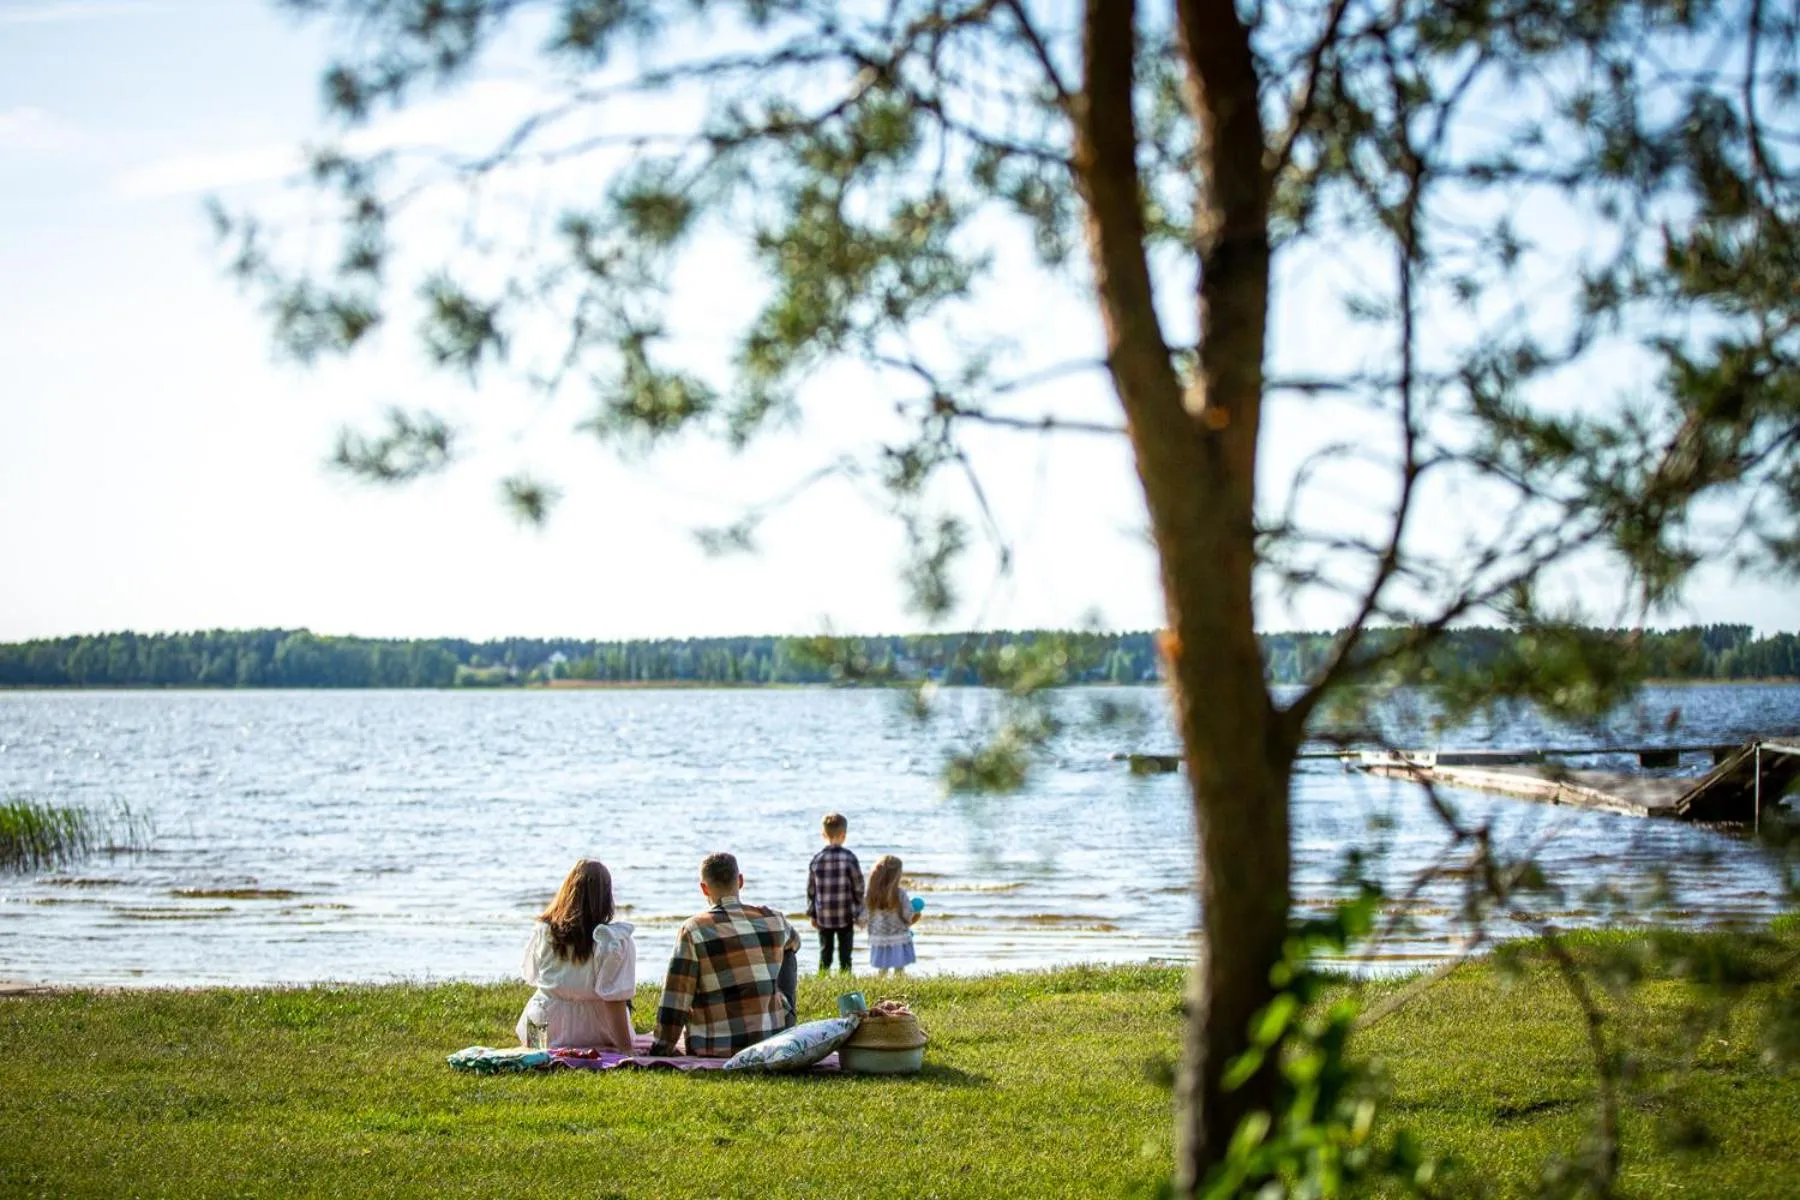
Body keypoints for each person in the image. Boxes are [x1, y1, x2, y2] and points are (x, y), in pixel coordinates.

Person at [648, 852, 801, 1057]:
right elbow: (795, 943)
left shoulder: (693, 929)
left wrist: (661, 1047)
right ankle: (784, 1023)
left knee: (690, 976)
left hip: (715, 1047)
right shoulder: (774, 918)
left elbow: (676, 998)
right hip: (771, 1040)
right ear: (740, 881)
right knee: (788, 950)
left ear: (704, 888)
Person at [516, 858, 637, 1051]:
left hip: (544, 1025)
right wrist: (626, 1049)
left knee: (539, 1007)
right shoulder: (613, 941)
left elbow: (532, 976)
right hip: (595, 1030)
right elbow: (614, 998)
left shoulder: (544, 931)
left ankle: (535, 1046)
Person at [806, 811, 864, 974]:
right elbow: (858, 886)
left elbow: (811, 890)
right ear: (844, 835)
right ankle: (846, 980)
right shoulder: (849, 857)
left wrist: (812, 913)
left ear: (823, 834)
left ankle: (822, 977)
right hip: (845, 914)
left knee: (825, 952)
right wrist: (859, 907)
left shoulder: (818, 858)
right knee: (845, 955)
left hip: (824, 916)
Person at [864, 854, 921, 977]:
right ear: (896, 875)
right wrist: (916, 914)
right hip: (898, 937)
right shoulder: (900, 894)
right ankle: (899, 982)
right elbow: (908, 915)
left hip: (878, 938)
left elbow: (863, 916)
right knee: (899, 967)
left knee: (883, 968)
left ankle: (881, 981)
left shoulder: (870, 894)